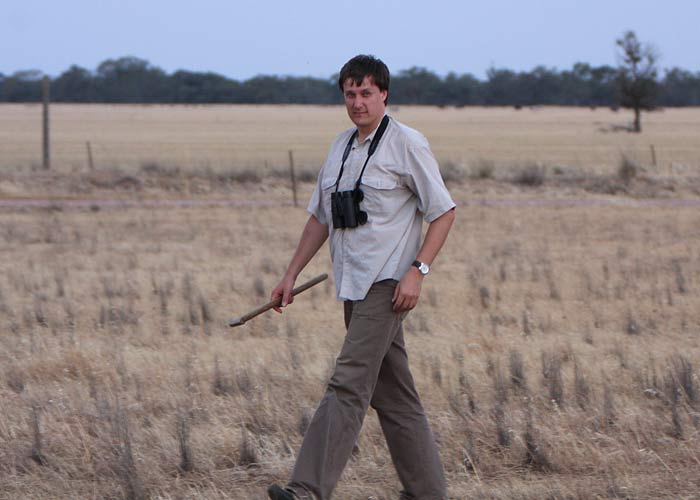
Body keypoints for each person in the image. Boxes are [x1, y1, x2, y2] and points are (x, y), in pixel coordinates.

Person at [267, 54, 456, 500]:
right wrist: (290, 275)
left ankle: (307, 489)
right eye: (350, 94)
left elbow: (444, 212)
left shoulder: (408, 143)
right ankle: (429, 493)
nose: (357, 102)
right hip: (352, 284)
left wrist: (418, 272)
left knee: (348, 384)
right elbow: (320, 218)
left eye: (366, 93)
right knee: (395, 398)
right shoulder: (340, 146)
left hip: (388, 284)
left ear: (384, 94)